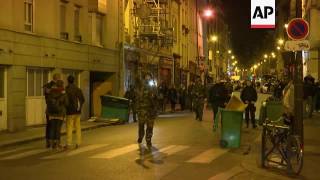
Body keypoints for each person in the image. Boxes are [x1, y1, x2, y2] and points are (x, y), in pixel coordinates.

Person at [137, 73, 158, 148]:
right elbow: (138, 97)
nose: (148, 78)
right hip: (142, 109)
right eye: (146, 76)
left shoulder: (153, 86)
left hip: (150, 110)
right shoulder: (141, 86)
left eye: (149, 76)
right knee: (141, 125)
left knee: (150, 126)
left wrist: (155, 108)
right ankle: (140, 136)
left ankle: (148, 140)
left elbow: (156, 98)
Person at [46, 80, 69, 149]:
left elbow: (47, 102)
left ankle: (51, 143)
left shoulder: (51, 92)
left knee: (52, 128)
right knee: (58, 129)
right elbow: (67, 103)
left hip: (51, 113)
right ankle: (57, 143)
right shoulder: (63, 93)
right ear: (62, 85)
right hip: (60, 113)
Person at [65, 75, 85, 149]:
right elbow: (82, 99)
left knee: (69, 127)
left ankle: (69, 143)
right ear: (74, 80)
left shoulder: (66, 89)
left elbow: (65, 100)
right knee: (78, 127)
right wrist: (79, 108)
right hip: (77, 111)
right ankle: (78, 142)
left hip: (69, 111)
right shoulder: (78, 89)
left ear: (67, 81)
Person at [43, 73, 61, 148]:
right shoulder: (59, 87)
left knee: (49, 126)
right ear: (58, 78)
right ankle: (55, 143)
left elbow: (46, 95)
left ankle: (48, 142)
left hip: (49, 109)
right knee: (56, 127)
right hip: (57, 110)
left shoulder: (47, 86)